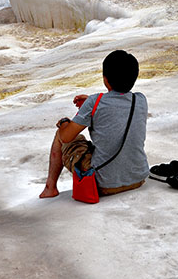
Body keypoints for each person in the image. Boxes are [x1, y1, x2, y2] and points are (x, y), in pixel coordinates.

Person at [39, 50, 149, 198]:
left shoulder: (94, 103)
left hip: (103, 184)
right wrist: (92, 104)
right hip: (137, 178)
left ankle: (50, 188)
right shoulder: (141, 100)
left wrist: (65, 122)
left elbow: (66, 137)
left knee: (61, 136)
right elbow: (115, 108)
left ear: (105, 79)